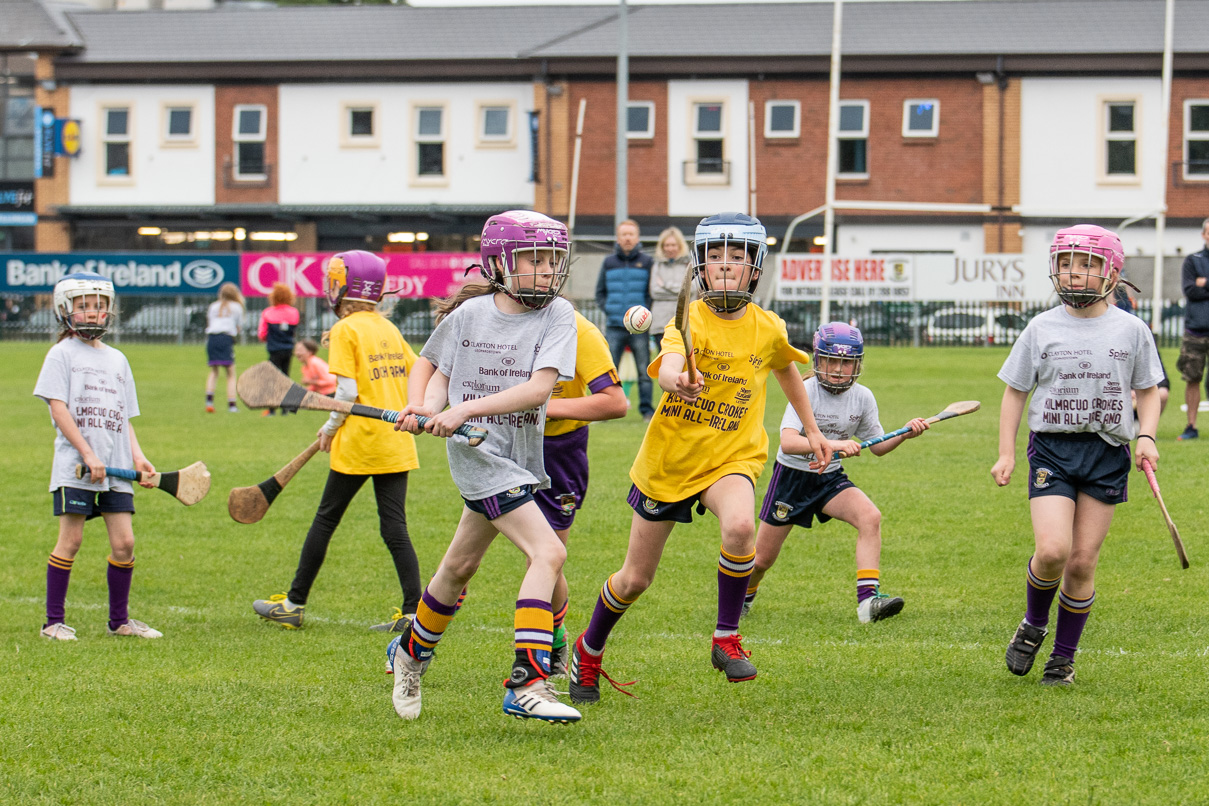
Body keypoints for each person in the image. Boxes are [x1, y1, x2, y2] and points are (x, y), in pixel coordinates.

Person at [568, 212, 833, 704]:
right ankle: (589, 649)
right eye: (717, 257)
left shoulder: (768, 326)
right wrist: (678, 381)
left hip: (731, 456)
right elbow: (669, 366)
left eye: (739, 257)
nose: (727, 266)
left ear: (756, 269)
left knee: (739, 528)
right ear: (701, 265)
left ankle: (725, 637)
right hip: (669, 461)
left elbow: (787, 370)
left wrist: (813, 428)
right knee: (634, 580)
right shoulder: (688, 319)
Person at [388, 210, 581, 724]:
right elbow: (431, 367)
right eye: (533, 260)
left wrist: (464, 409)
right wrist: (424, 406)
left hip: (518, 456)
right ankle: (529, 679)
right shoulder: (468, 317)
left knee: (457, 568)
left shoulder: (558, 314)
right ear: (499, 263)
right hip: (480, 458)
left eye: (551, 261)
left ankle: (411, 651)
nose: (545, 271)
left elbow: (540, 389)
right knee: (548, 552)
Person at [992, 225, 1162, 687]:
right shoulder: (1040, 327)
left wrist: (1146, 435)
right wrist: (1007, 453)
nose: (1076, 273)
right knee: (1052, 551)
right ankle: (1033, 623)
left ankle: (1062, 660)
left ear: (1111, 273)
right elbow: (1014, 394)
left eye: (1088, 264)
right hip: (1053, 448)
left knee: (1082, 562)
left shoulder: (1131, 330)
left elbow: (1149, 392)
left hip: (1107, 452)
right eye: (1067, 263)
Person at [252, 251, 423, 632]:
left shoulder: (347, 329)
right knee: (395, 526)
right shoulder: (386, 327)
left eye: (333, 280)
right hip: (395, 441)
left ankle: (294, 604)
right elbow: (416, 374)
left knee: (326, 519)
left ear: (345, 285)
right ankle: (415, 614)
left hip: (361, 442)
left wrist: (329, 428)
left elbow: (345, 391)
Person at [744, 323, 929, 624]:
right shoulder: (805, 390)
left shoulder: (863, 397)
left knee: (870, 517)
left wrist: (905, 434)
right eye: (831, 360)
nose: (839, 369)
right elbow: (788, 442)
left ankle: (868, 602)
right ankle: (744, 596)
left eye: (846, 362)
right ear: (818, 360)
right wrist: (836, 444)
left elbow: (879, 446)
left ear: (857, 364)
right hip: (792, 479)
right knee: (762, 559)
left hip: (829, 479)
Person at [33, 272, 162, 641]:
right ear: (65, 310)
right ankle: (53, 623)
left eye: (100, 306)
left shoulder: (118, 360)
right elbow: (59, 410)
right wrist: (89, 454)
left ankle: (119, 621)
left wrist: (138, 457)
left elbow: (124, 418)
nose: (93, 313)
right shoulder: (61, 354)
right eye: (84, 306)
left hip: (116, 466)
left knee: (125, 544)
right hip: (76, 465)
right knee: (70, 541)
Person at [536, 310, 629, 674]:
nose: (542, 272)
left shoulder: (579, 329)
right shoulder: (496, 319)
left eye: (549, 263)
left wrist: (539, 406)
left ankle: (554, 640)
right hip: (503, 445)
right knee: (465, 559)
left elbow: (614, 402)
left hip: (558, 452)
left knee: (547, 557)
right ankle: (416, 645)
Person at [595, 219, 655, 420]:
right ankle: (604, 409)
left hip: (639, 329)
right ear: (618, 238)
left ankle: (646, 411)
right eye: (624, 234)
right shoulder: (608, 262)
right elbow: (600, 293)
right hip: (614, 326)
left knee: (644, 371)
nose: (627, 238)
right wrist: (611, 311)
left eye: (631, 234)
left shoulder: (647, 262)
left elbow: (650, 293)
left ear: (637, 238)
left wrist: (644, 315)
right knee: (609, 371)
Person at [1175, 218, 1209, 440]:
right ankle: (1191, 427)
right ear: (1204, 235)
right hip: (1196, 331)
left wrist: (1204, 283)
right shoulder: (1192, 260)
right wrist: (1197, 285)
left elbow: (1199, 289)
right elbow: (1190, 290)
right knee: (1192, 378)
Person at [258, 282, 300, 416]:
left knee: (272, 378)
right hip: (288, 348)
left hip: (274, 348)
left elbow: (262, 334)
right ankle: (285, 408)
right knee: (285, 376)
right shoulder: (294, 313)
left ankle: (271, 408)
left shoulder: (268, 313)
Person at [648, 226, 691, 353]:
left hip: (683, 323)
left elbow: (690, 290)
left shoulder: (688, 264)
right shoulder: (657, 265)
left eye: (673, 245)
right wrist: (678, 288)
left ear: (680, 245)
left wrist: (665, 285)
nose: (670, 248)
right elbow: (655, 291)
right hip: (660, 324)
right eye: (666, 245)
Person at [204, 282, 245, 413]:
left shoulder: (213, 306)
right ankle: (232, 404)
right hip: (226, 338)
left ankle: (209, 402)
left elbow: (209, 322)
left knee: (214, 371)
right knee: (231, 373)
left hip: (212, 338)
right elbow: (239, 326)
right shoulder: (237, 307)